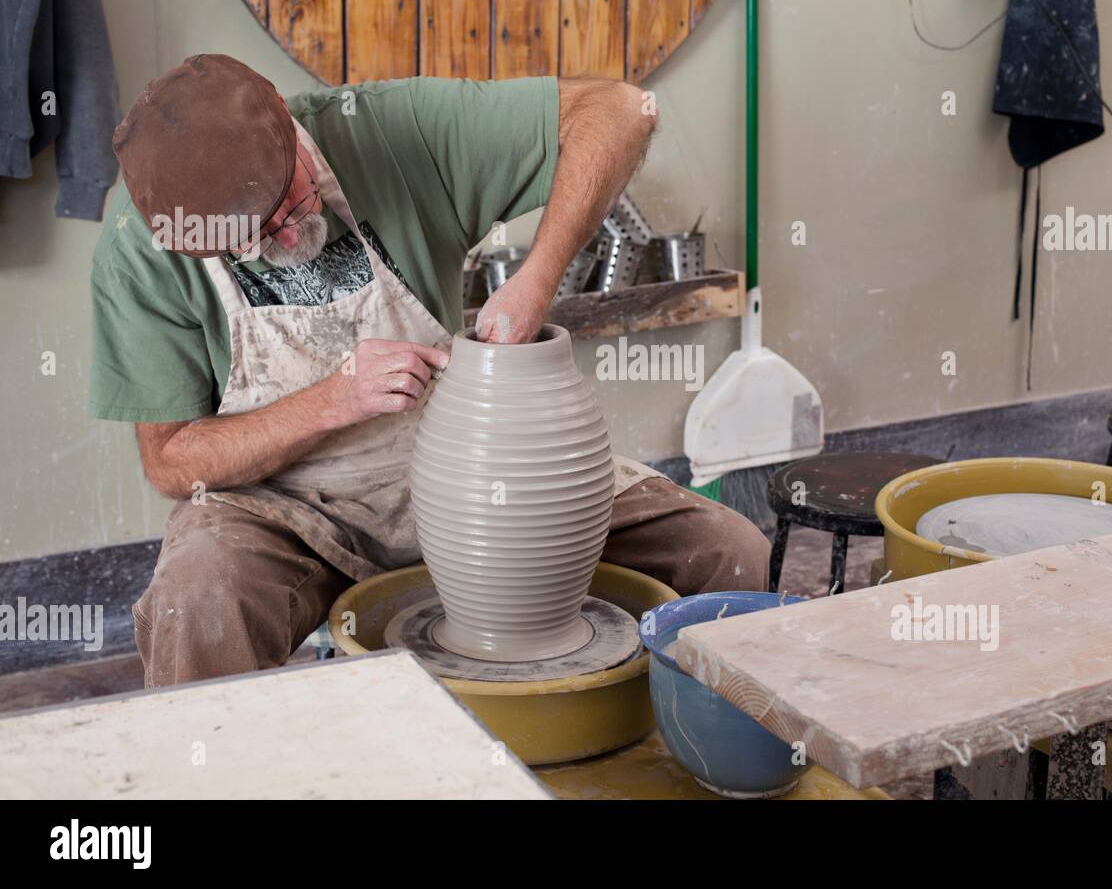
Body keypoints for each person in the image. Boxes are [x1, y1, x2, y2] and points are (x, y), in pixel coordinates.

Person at [89, 54, 769, 686]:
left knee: (725, 550)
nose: (286, 239)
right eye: (254, 243)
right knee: (196, 601)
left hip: (465, 468)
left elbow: (623, 109)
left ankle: (702, 755)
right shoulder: (140, 248)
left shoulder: (387, 128)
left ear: (282, 114)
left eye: (287, 207)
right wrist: (336, 400)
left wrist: (539, 274)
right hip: (284, 507)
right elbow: (173, 462)